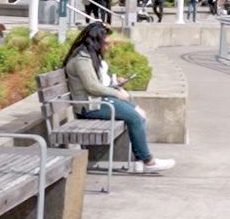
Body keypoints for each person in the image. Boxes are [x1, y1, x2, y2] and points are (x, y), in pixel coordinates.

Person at [64, 22, 173, 174]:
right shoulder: (82, 59)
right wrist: (117, 93)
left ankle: (139, 162)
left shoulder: (89, 56)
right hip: (89, 107)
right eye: (106, 43)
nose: (108, 47)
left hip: (97, 102)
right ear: (95, 41)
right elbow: (92, 87)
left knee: (139, 114)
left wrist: (115, 84)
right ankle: (148, 161)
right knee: (135, 117)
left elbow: (98, 83)